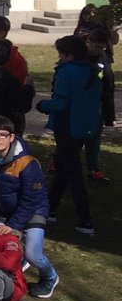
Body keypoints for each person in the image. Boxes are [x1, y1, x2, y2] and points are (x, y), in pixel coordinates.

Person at [0, 115, 59, 299]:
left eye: (2, 135)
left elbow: (31, 200)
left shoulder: (27, 163)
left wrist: (13, 226)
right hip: (1, 212)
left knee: (33, 254)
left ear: (11, 137)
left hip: (33, 211)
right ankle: (11, 268)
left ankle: (50, 277)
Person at [38, 34, 102, 237]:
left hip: (67, 125)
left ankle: (85, 219)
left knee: (73, 173)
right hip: (84, 126)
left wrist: (42, 105)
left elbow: (60, 102)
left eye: (61, 54)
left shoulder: (67, 72)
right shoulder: (93, 70)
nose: (60, 57)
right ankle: (51, 208)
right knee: (63, 168)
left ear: (69, 55)